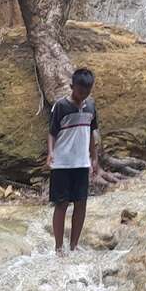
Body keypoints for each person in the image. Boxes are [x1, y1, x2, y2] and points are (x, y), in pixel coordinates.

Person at [47, 68, 100, 254]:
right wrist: (50, 152)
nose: (82, 96)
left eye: (87, 92)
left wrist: (94, 158)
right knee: (61, 204)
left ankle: (74, 244)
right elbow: (52, 132)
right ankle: (59, 247)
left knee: (81, 203)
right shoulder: (61, 106)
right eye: (80, 91)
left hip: (82, 163)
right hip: (62, 163)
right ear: (72, 87)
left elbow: (92, 134)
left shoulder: (91, 107)